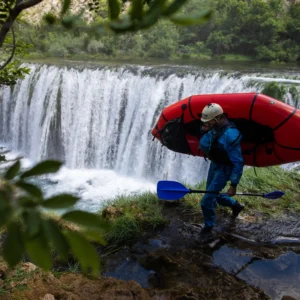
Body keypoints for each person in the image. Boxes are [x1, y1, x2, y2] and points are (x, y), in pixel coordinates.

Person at [198, 103, 245, 236]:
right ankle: (236, 206)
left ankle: (208, 228)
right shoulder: (215, 127)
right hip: (215, 165)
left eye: (209, 122)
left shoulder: (230, 135)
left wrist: (233, 185)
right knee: (215, 196)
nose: (206, 124)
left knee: (206, 200)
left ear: (218, 118)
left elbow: (238, 162)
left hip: (224, 169)